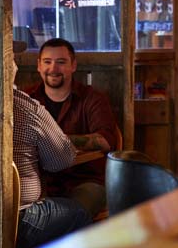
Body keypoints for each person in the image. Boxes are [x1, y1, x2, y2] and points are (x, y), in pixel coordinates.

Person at [0, 30, 91, 248]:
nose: (16, 65)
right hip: (15, 221)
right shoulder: (23, 107)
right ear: (3, 64)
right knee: (80, 214)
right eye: (11, 58)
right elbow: (61, 160)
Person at [26, 38, 121, 217]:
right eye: (47, 62)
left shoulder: (92, 99)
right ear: (39, 65)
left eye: (61, 62)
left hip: (84, 181)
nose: (53, 69)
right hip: (39, 184)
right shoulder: (27, 99)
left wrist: (55, 140)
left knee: (69, 215)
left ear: (73, 65)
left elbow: (106, 141)